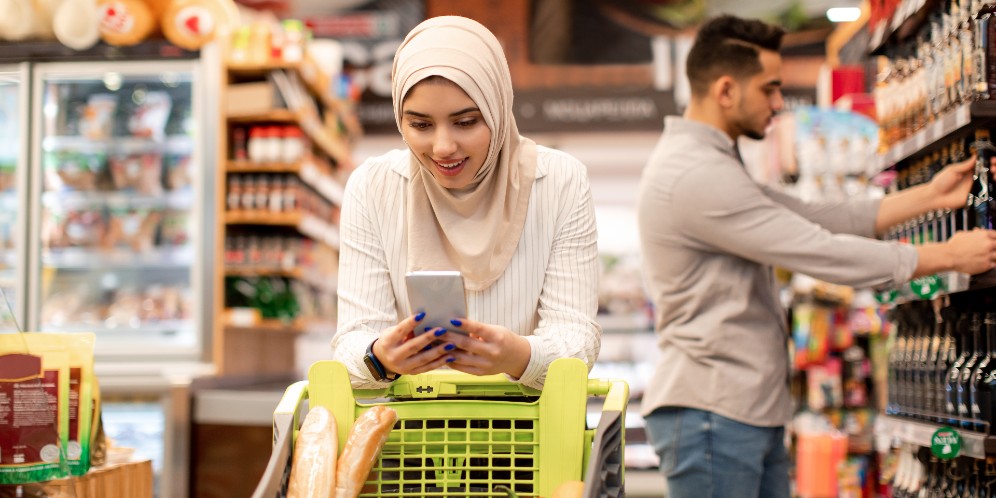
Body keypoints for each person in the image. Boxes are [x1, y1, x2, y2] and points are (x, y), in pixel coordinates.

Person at [636, 14, 996, 498]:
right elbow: (819, 250)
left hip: (736, 411)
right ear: (725, 90)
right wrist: (947, 254)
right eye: (769, 88)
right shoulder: (695, 176)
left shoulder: (712, 164)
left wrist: (927, 197)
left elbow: (814, 214)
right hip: (713, 416)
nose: (779, 103)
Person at [331, 15, 600, 390]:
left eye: (466, 122)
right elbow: (350, 343)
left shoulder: (558, 182)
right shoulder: (373, 186)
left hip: (529, 434)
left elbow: (578, 338)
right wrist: (378, 357)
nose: (443, 148)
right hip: (408, 435)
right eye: (420, 125)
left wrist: (520, 356)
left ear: (497, 108)